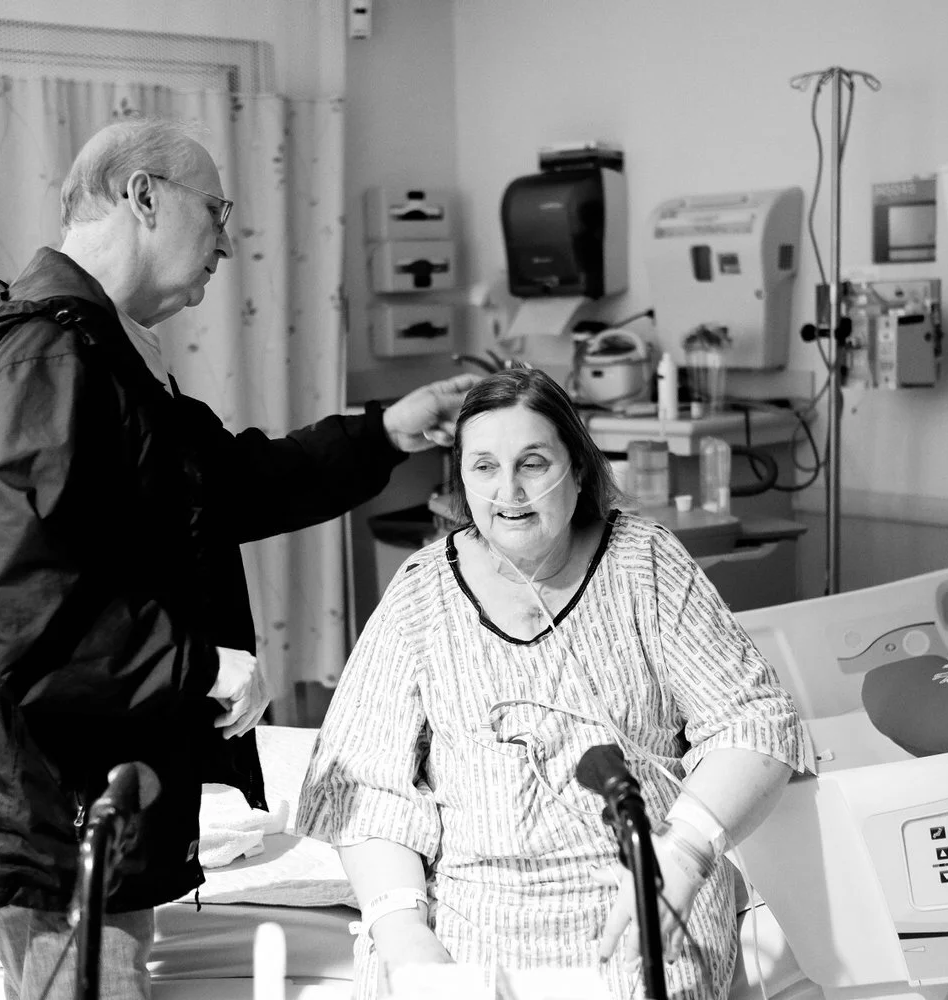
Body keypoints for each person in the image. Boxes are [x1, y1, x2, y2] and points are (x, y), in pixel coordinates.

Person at [0, 117, 477, 1000]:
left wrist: (386, 431)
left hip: (75, 801)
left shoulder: (105, 355)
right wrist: (195, 666)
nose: (227, 243)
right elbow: (9, 594)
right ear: (142, 196)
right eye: (216, 212)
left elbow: (231, 482)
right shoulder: (50, 357)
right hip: (44, 816)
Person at [297, 367, 814, 1000]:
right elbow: (359, 783)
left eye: (533, 463)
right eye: (484, 467)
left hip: (641, 895)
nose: (508, 490)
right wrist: (403, 931)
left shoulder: (643, 564)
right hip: (474, 915)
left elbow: (754, 721)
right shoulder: (422, 593)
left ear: (579, 469)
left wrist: (684, 853)